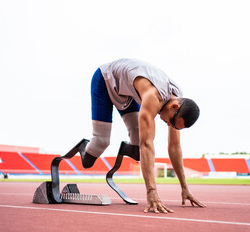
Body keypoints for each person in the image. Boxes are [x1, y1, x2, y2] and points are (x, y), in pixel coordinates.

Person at [81, 58, 206, 213]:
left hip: (126, 90)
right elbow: (146, 144)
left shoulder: (177, 98)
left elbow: (174, 146)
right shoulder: (153, 98)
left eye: (174, 127)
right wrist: (151, 192)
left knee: (137, 144)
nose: (169, 126)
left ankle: (125, 149)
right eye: (172, 123)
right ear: (174, 106)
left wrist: (185, 187)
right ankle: (83, 150)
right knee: (101, 142)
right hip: (105, 80)